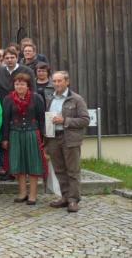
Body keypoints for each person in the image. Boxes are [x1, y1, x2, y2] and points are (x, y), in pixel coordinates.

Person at [46, 71, 90, 213]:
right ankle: (64, 197)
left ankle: (73, 200)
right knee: (59, 170)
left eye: (60, 81)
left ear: (67, 82)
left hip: (70, 138)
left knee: (72, 171)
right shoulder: (50, 99)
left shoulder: (76, 99)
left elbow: (85, 120)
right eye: (55, 81)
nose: (57, 84)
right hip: (53, 138)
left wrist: (65, 120)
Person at [1, 73, 46, 206]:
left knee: (33, 164)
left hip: (32, 133)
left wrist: (44, 137)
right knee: (18, 164)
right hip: (15, 134)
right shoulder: (8, 99)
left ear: (28, 85)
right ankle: (22, 193)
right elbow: (5, 120)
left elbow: (42, 119)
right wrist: (5, 138)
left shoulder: (36, 98)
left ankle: (33, 194)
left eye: (22, 84)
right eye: (17, 84)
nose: (19, 86)